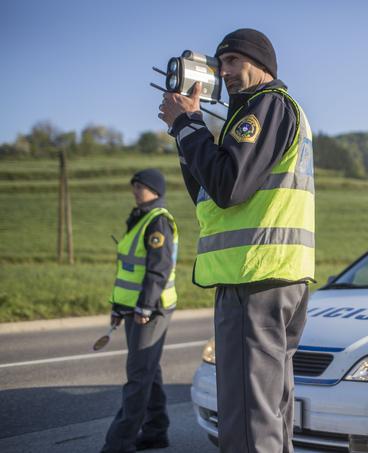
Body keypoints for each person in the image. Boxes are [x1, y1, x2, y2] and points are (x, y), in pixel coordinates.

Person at [158, 28, 314, 453]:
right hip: (274, 278)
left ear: (262, 65)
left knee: (248, 418)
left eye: (233, 61)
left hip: (254, 279)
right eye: (219, 63)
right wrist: (185, 133)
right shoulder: (263, 114)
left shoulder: (263, 109)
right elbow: (210, 192)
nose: (223, 71)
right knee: (269, 411)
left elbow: (229, 186)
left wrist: (188, 124)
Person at [101, 169, 179, 453]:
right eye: (134, 185)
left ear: (155, 191)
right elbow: (130, 270)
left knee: (138, 375)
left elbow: (159, 269)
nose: (136, 190)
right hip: (135, 308)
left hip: (152, 309)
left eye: (141, 186)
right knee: (148, 370)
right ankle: (156, 432)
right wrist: (119, 308)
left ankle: (119, 443)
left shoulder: (157, 221)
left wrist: (145, 306)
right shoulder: (140, 218)